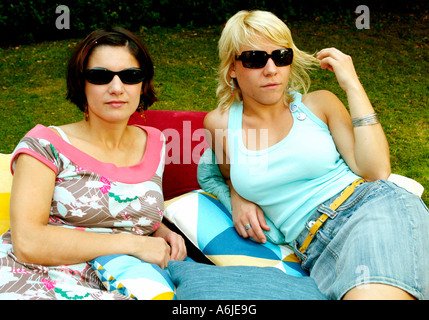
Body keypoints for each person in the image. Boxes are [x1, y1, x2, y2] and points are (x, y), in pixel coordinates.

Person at [200, 10, 429, 300]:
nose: (271, 70)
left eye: (281, 56)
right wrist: (237, 195)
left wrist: (352, 85)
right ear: (232, 68)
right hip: (314, 250)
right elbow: (223, 173)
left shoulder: (318, 104)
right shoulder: (219, 123)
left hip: (369, 209)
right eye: (255, 59)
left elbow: (376, 171)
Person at [0, 27, 186, 300]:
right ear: (81, 83)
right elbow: (28, 242)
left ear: (143, 83)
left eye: (130, 76)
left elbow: (121, 205)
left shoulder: (155, 142)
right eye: (100, 76)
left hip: (125, 278)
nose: (116, 88)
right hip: (34, 275)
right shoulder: (44, 144)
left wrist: (161, 229)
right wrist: (135, 244)